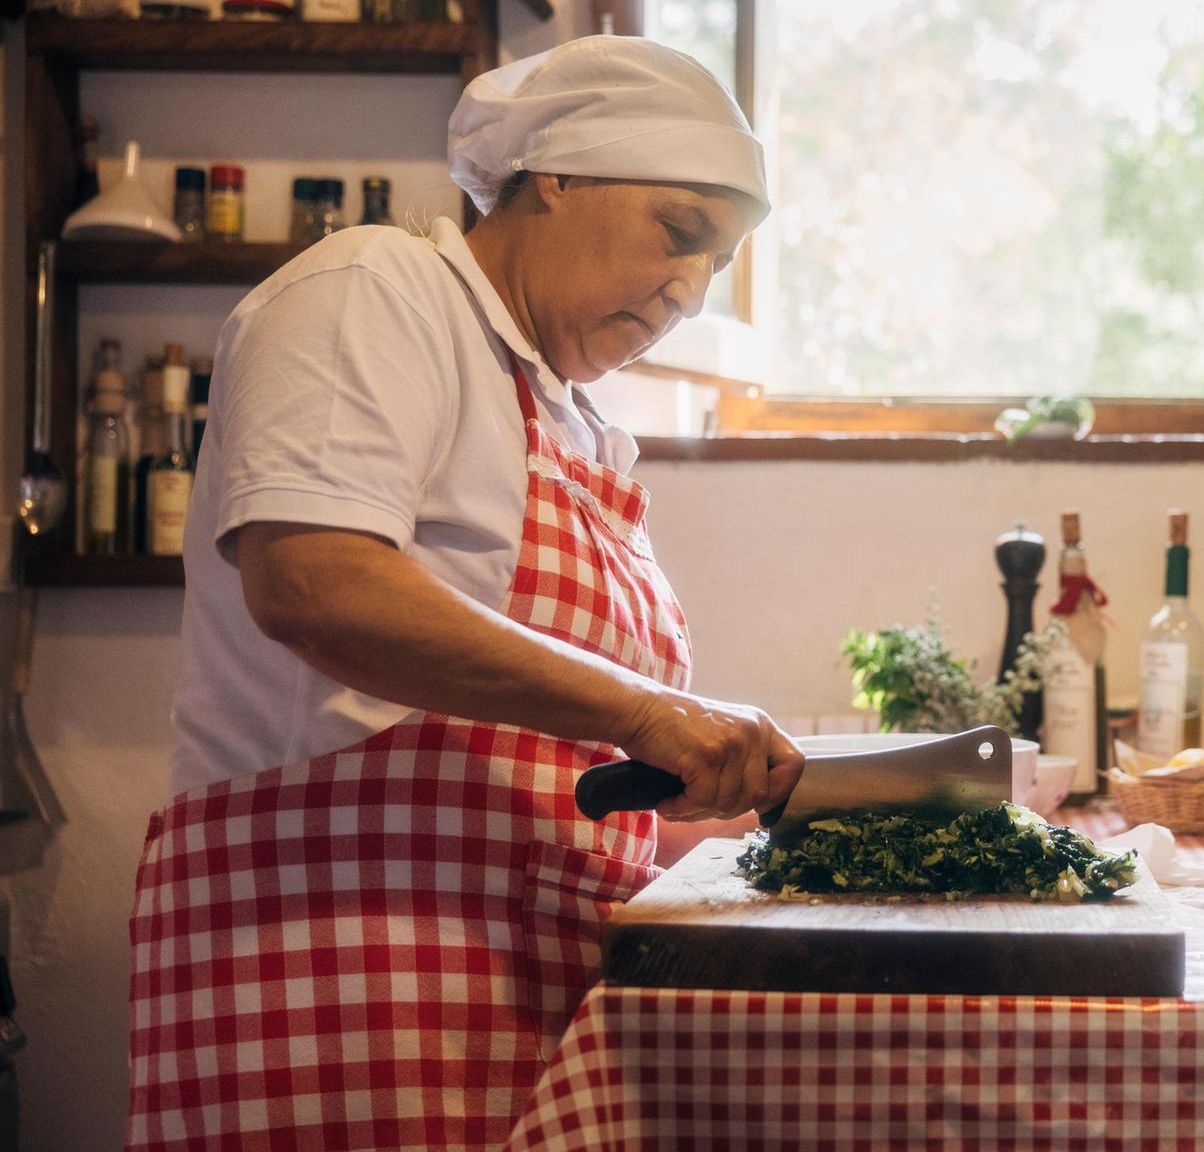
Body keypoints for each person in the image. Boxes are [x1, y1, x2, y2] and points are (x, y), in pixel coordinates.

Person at [127, 38, 804, 1151]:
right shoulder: (376, 291)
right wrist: (648, 714)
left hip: (518, 975)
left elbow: (542, 752)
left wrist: (706, 799)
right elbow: (315, 581)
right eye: (678, 234)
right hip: (335, 969)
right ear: (558, 175)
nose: (689, 288)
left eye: (715, 264)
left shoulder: (576, 427)